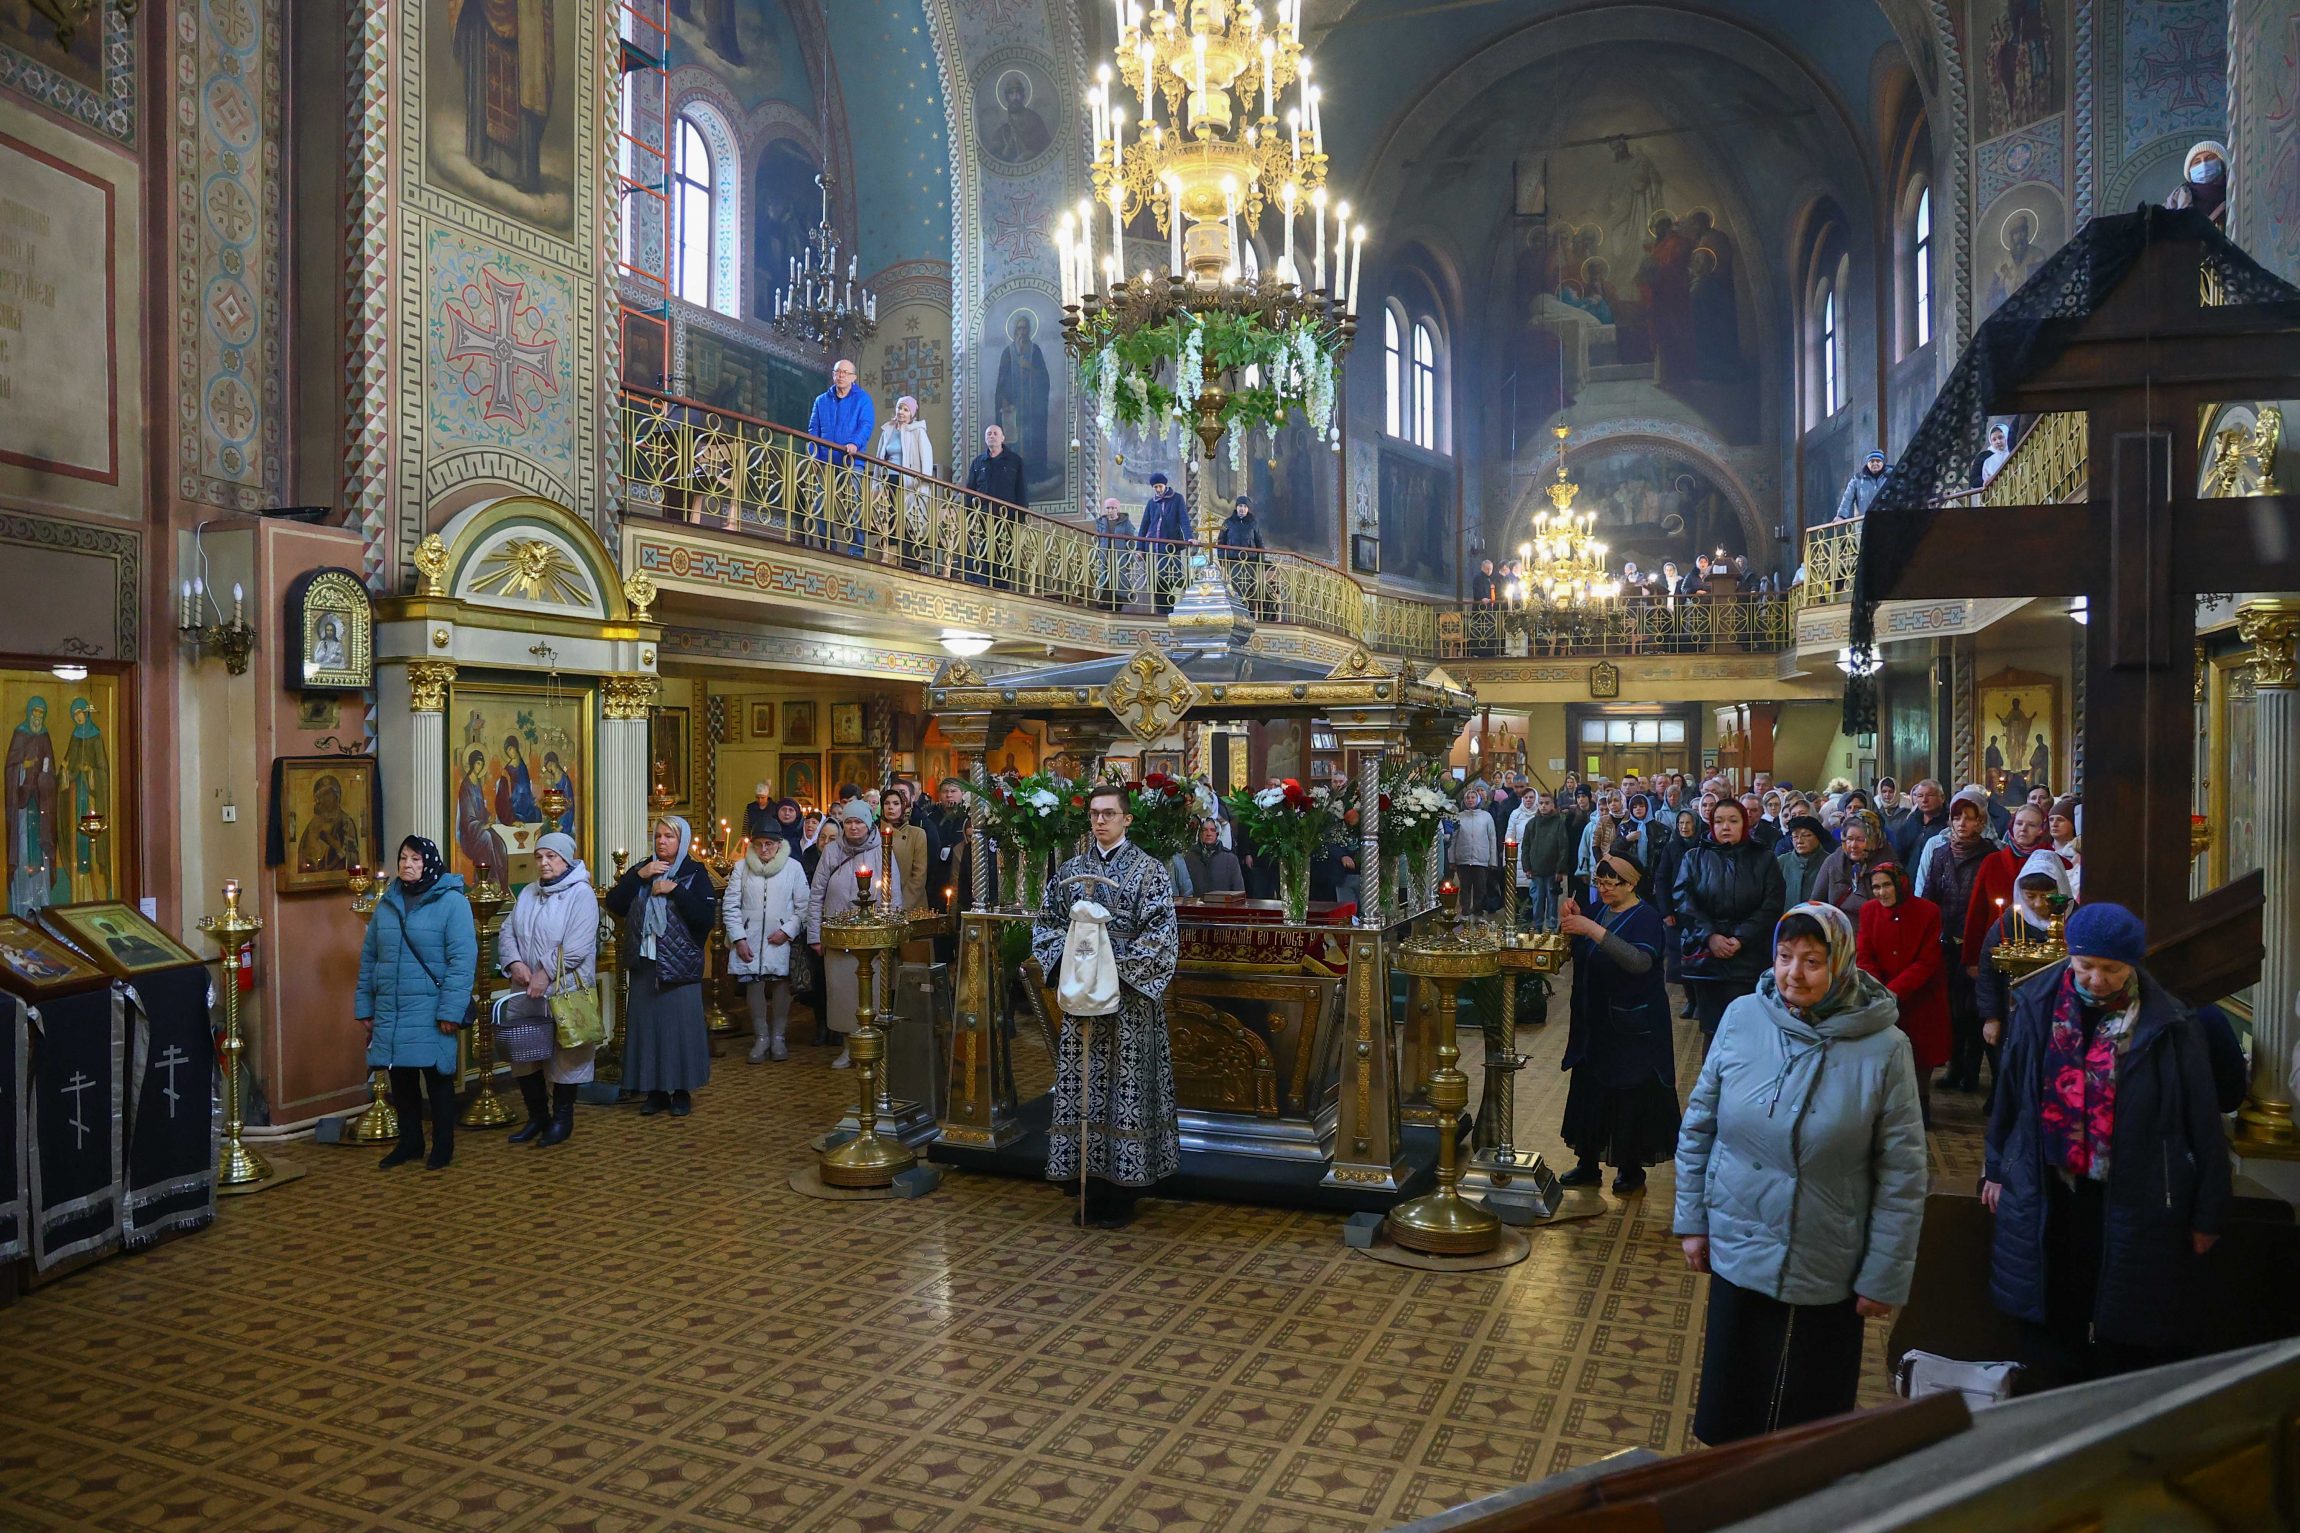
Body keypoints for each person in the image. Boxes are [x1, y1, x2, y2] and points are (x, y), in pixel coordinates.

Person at [1675, 903, 1928, 1444]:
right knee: (1732, 1410)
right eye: (1785, 957)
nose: (1795, 973)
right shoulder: (1743, 1018)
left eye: (1812, 961)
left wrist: (1883, 1274)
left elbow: (1903, 1174)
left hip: (1825, 1256)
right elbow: (1699, 1126)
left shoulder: (1885, 1048)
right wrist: (1692, 1220)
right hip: (1739, 1244)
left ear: (1840, 963)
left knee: (1807, 1428)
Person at [1982, 903, 2231, 1387]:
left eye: (2112, 969)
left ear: (2133, 964)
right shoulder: (2036, 1007)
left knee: (2124, 1323)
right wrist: (1996, 1167)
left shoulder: (2171, 1025)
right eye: (2086, 966)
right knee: (2052, 1308)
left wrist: (2208, 1212)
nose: (2097, 980)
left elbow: (2201, 1121)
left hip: (2136, 1192)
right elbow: (2011, 1095)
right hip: (2052, 1187)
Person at [1031, 782, 1181, 1228]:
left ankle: (1124, 1191)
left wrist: (1107, 964)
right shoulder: (1070, 871)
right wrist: (1075, 962)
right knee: (1083, 1089)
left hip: (1129, 1004)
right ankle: (1087, 1186)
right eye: (1094, 813)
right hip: (1083, 1003)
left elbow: (1162, 937)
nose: (1100, 820)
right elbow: (1046, 925)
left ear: (1126, 819)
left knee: (1125, 1089)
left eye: (1109, 813)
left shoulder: (1150, 872)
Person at [1557, 855, 1680, 1195]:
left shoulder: (1647, 917)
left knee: (1629, 1095)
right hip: (1595, 1022)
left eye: (1613, 884)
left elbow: (1639, 961)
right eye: (1600, 883)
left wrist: (1591, 929)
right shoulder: (1598, 910)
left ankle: (1630, 1168)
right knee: (1591, 1091)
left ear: (1632, 884)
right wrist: (1572, 921)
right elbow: (1582, 949)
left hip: (1633, 1025)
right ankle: (1587, 1163)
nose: (1605, 890)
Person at [354, 836, 476, 1171]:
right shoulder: (388, 902)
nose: (407, 865)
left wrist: (451, 1010)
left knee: (437, 1079)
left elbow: (462, 960)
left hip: (432, 1008)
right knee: (401, 1079)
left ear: (429, 863)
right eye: (403, 858)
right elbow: (370, 958)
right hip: (392, 1008)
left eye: (416, 859)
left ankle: (442, 1146)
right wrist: (365, 1006)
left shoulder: (452, 902)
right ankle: (410, 1142)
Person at [606, 816, 717, 1116]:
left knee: (680, 1032)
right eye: (658, 836)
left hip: (680, 967)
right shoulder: (644, 869)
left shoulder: (695, 873)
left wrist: (675, 890)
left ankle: (681, 1092)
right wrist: (638, 876)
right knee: (648, 1030)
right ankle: (654, 1091)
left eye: (669, 836)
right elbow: (614, 904)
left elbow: (705, 919)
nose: (662, 842)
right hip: (646, 963)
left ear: (682, 841)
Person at [494, 832, 599, 1146]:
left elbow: (577, 945)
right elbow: (507, 931)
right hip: (526, 988)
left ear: (565, 859)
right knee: (525, 1053)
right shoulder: (528, 892)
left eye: (551, 856)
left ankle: (562, 1117)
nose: (544, 863)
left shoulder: (581, 894)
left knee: (567, 1053)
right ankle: (537, 1115)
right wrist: (514, 963)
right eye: (539, 857)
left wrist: (545, 973)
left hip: (564, 990)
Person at [1671, 798, 1785, 1045]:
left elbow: (1772, 904)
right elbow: (1684, 901)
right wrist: (1710, 936)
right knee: (1713, 1034)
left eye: (1733, 821)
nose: (1725, 827)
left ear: (1744, 824)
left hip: (1750, 958)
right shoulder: (1694, 858)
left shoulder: (1764, 858)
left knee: (1748, 1034)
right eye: (1719, 821)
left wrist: (1741, 938)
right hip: (1708, 960)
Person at [808, 798, 900, 1069]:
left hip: (872, 939)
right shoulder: (832, 851)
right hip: (838, 937)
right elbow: (816, 893)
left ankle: (872, 1048)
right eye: (848, 822)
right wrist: (814, 934)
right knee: (842, 995)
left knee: (871, 994)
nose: (853, 827)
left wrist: (891, 934)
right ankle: (849, 1048)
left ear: (868, 824)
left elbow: (893, 894)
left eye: (858, 821)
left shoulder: (883, 850)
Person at [1919, 786, 2000, 1093]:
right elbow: (1930, 897)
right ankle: (1955, 1067)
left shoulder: (1990, 856)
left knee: (1973, 1010)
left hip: (1976, 944)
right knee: (1950, 1009)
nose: (1962, 823)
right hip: (1945, 942)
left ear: (1981, 822)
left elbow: (1989, 905)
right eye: (1957, 818)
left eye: (1969, 818)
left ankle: (1972, 1071)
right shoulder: (1941, 854)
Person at [1857, 862, 1950, 1126]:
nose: (1881, 892)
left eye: (1887, 885)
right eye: (1876, 887)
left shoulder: (1928, 911)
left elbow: (1928, 960)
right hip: (1881, 995)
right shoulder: (1868, 911)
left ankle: (1921, 1101)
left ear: (1900, 884)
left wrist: (1895, 989)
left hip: (1921, 995)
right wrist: (1879, 989)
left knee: (1921, 1053)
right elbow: (1864, 954)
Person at [724, 828, 810, 1063]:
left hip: (780, 937)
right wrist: (738, 937)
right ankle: (761, 1037)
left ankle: (778, 1036)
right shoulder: (742, 868)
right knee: (754, 983)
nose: (764, 849)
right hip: (749, 937)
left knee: (781, 983)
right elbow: (731, 905)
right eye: (759, 844)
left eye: (769, 844)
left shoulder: (793, 868)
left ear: (779, 844)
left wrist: (787, 930)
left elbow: (804, 906)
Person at [1977, 848, 2074, 1055]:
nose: (2038, 904)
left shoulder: (2076, 919)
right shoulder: (2010, 920)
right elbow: (1987, 971)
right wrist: (1991, 1017)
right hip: (2015, 1011)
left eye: (2046, 896)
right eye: (2030, 896)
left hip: (2062, 1013)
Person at [804, 359, 875, 553]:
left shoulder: (863, 399)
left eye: (845, 372)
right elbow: (813, 431)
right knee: (819, 505)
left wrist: (855, 443)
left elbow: (866, 425)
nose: (841, 375)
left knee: (853, 505)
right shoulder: (821, 400)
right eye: (837, 372)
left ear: (853, 377)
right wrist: (813, 455)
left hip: (852, 460)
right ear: (833, 375)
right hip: (824, 460)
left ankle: (856, 550)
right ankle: (829, 548)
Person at [873, 393, 937, 568]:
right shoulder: (888, 430)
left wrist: (923, 482)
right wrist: (876, 482)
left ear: (912, 414)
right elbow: (880, 456)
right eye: (899, 408)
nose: (901, 412)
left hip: (908, 481)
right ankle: (888, 550)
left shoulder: (918, 431)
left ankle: (905, 554)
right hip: (888, 478)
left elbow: (926, 458)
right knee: (889, 514)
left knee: (906, 516)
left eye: (906, 409)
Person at [962, 424, 1028, 585]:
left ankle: (1001, 587)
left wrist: (1020, 517)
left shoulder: (1015, 461)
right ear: (985, 438)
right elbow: (970, 490)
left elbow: (1021, 489)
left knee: (1003, 554)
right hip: (982, 517)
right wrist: (969, 515)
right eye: (989, 434)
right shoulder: (978, 463)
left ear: (1002, 438)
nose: (992, 436)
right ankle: (983, 586)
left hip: (1006, 518)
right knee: (981, 553)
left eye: (995, 433)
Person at [1811, 810, 1887, 918]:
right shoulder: (1833, 862)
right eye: (1849, 839)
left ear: (1874, 839)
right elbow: (1816, 903)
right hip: (1838, 927)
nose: (1853, 845)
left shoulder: (1887, 865)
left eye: (1860, 839)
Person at [1518, 791, 1573, 931]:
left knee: (1552, 901)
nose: (1543, 806)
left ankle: (1551, 928)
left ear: (1553, 805)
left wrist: (1560, 869)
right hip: (1535, 870)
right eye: (1541, 803)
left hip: (1552, 871)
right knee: (1537, 900)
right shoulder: (1532, 824)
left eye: (1547, 803)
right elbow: (1525, 847)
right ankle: (1537, 927)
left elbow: (1563, 847)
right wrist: (1527, 867)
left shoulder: (1558, 823)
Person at [1137, 471, 1191, 613]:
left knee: (1170, 578)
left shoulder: (1177, 499)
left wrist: (1189, 537)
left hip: (1170, 548)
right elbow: (1144, 525)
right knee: (1156, 581)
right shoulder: (1151, 503)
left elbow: (1184, 519)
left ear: (1165, 485)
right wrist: (1139, 548)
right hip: (1153, 549)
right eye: (1155, 487)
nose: (1158, 489)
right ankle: (1161, 612)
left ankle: (1169, 611)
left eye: (1160, 486)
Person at [1217, 495, 1270, 618]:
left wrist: (1261, 562)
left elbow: (1259, 543)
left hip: (1250, 562)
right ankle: (1237, 613)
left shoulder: (1253, 523)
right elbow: (1221, 542)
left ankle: (1247, 614)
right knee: (1236, 588)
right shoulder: (1227, 523)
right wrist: (1222, 560)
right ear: (1236, 507)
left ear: (1248, 509)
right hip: (1233, 561)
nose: (1242, 509)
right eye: (1240, 506)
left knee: (1249, 588)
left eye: (1245, 507)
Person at [1450, 785, 1497, 914]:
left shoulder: (1486, 816)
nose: (1470, 800)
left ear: (1478, 799)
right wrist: (1451, 859)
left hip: (1481, 859)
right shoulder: (1459, 816)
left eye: (1473, 797)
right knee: (1464, 887)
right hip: (1463, 859)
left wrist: (1493, 860)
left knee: (1480, 888)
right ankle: (1465, 911)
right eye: (1468, 798)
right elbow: (1453, 839)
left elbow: (1492, 838)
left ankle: (1478, 911)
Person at [1888, 777, 1948, 870]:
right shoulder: (1912, 820)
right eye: (1920, 796)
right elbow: (1898, 852)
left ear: (1942, 798)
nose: (1924, 800)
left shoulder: (1949, 822)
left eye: (1930, 795)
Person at [1775, 814, 1831, 906]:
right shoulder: (1781, 862)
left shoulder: (1830, 862)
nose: (1799, 841)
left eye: (1806, 835)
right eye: (1795, 836)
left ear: (1818, 837)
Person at [1179, 817, 1243, 895]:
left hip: (1222, 902)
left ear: (1217, 833)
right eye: (1205, 830)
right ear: (1199, 833)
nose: (1209, 834)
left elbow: (1239, 891)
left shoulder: (1230, 859)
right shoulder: (1188, 857)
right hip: (1195, 902)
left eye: (1212, 830)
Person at [1092, 496, 1136, 609]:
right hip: (1104, 557)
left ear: (1117, 509)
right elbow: (1096, 541)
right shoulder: (1100, 522)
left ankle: (1117, 607)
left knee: (1119, 582)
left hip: (1119, 557)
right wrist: (1096, 556)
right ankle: (1104, 606)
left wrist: (1130, 559)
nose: (1110, 510)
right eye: (1108, 508)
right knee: (1105, 581)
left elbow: (1131, 542)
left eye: (1112, 508)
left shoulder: (1125, 523)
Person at [1831, 450, 1890, 525]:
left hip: (1887, 522)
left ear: (1882, 463)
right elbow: (1847, 499)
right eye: (1872, 461)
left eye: (1878, 461)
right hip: (1865, 523)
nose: (1875, 463)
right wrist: (1841, 516)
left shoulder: (1891, 476)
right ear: (1867, 463)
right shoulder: (1857, 479)